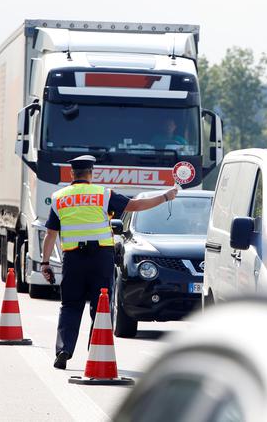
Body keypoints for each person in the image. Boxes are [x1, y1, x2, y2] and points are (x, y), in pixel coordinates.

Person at [40, 155, 178, 369]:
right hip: (100, 258)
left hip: (73, 259)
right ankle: (96, 351)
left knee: (70, 305)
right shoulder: (102, 194)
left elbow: (50, 234)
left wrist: (45, 263)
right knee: (101, 306)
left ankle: (64, 350)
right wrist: (165, 197)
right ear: (91, 174)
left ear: (71, 174)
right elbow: (135, 205)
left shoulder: (59, 197)